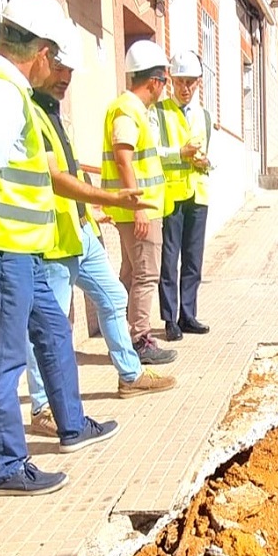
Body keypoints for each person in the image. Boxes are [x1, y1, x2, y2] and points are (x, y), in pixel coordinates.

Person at [0, 0, 118, 496]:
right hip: (2, 247)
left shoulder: (5, 90)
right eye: (58, 62)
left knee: (51, 329)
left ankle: (72, 425)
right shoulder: (1, 91)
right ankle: (7, 464)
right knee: (4, 357)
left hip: (23, 248)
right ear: (43, 52)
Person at [25, 27, 177, 437]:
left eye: (69, 74)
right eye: (59, 71)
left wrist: (93, 208)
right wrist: (117, 200)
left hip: (79, 229)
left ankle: (129, 375)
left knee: (114, 295)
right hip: (52, 237)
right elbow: (52, 176)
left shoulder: (54, 111)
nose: (65, 80)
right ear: (40, 60)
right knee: (49, 325)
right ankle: (42, 408)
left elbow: (70, 168)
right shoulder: (30, 112)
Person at [101, 40, 175, 364]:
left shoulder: (130, 109)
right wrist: (139, 207)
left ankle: (123, 335)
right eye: (165, 81)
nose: (164, 88)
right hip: (139, 212)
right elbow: (123, 159)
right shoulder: (128, 110)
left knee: (131, 275)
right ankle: (140, 339)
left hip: (134, 211)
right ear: (154, 81)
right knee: (145, 275)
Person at [154, 50, 212, 342]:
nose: (185, 88)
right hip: (173, 196)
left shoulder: (204, 116)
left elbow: (208, 155)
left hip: (198, 195)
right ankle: (169, 319)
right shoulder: (159, 112)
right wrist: (180, 153)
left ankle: (187, 315)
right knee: (169, 260)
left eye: (191, 82)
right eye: (180, 82)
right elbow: (152, 153)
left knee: (193, 260)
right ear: (171, 81)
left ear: (199, 82)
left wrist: (205, 162)